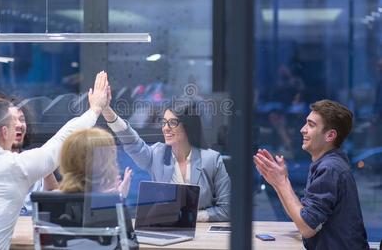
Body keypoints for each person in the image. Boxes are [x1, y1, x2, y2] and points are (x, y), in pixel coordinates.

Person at [0, 71, 109, 250]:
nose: (19, 127)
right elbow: (62, 139)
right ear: (4, 132)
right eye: (13, 124)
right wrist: (94, 109)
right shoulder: (18, 167)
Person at [254, 99, 369, 250]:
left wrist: (282, 182)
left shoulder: (330, 168)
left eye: (311, 125)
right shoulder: (327, 164)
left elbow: (307, 227)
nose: (303, 129)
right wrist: (276, 182)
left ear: (330, 135)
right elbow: (303, 218)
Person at [102, 97, 231, 222]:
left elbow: (227, 209)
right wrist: (109, 113)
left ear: (188, 126)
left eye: (172, 122)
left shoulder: (212, 160)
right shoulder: (157, 154)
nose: (165, 128)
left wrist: (192, 217)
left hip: (201, 235)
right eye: (163, 122)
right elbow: (133, 143)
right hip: (165, 230)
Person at [55, 127, 137, 249]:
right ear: (102, 166)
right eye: (112, 159)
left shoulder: (52, 203)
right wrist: (116, 200)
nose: (115, 164)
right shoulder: (113, 209)